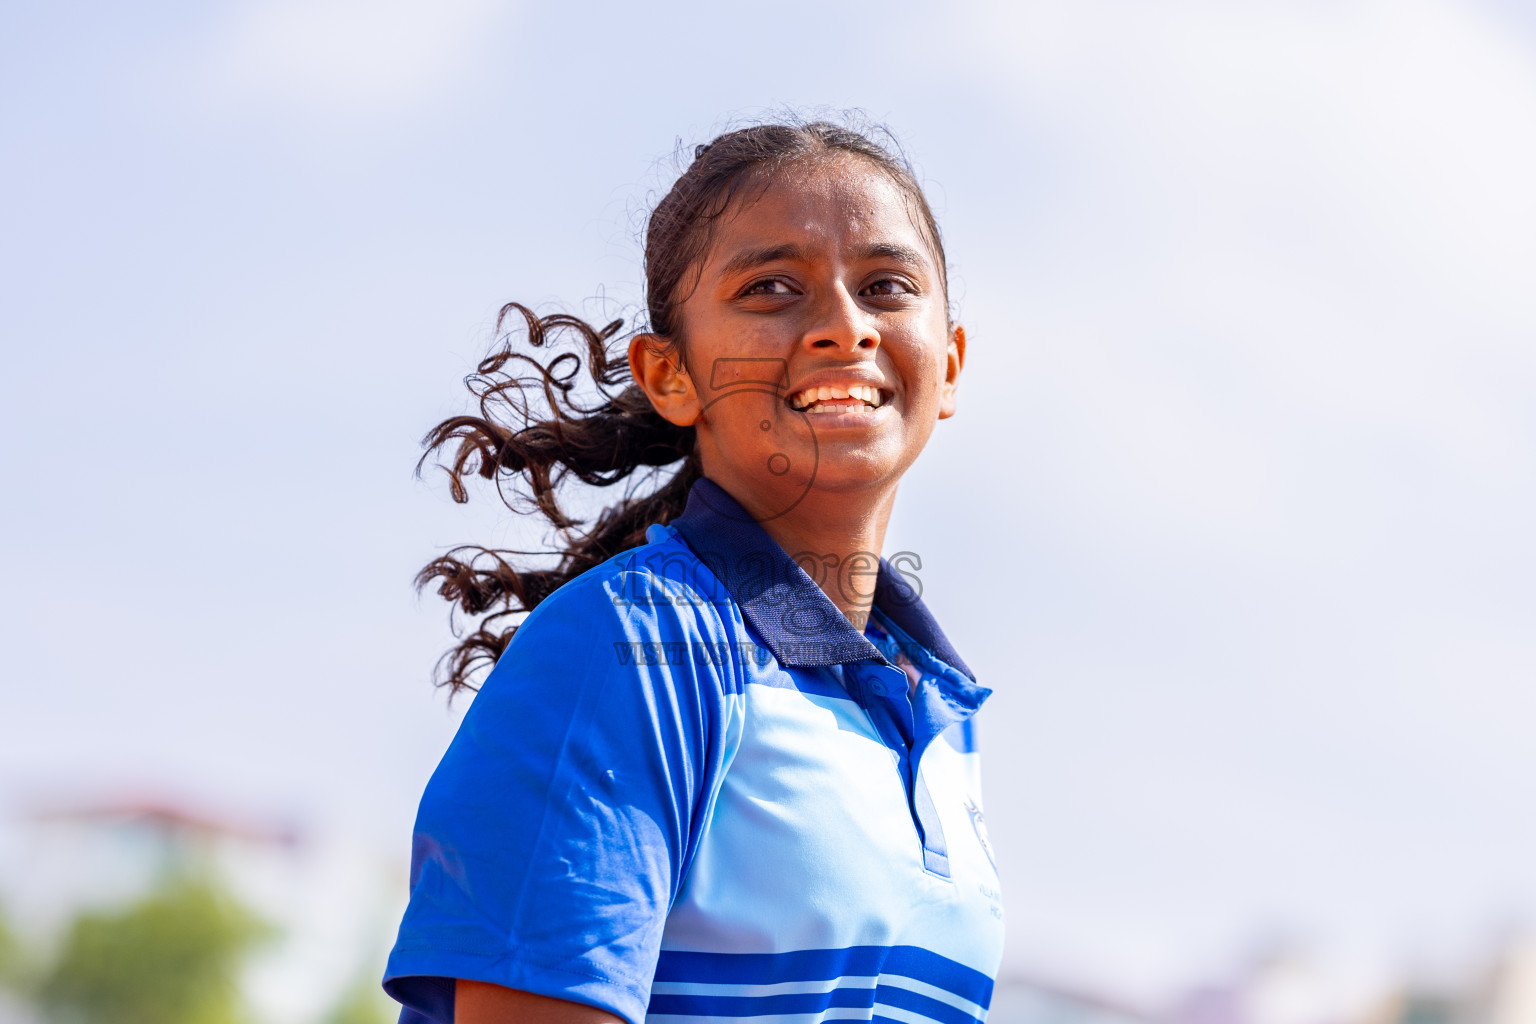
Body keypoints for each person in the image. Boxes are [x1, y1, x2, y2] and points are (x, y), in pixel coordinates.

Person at [383, 120, 1003, 1024]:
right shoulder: (629, 643)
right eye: (773, 288)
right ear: (670, 376)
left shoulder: (943, 714)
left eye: (886, 287)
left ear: (947, 365)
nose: (844, 327)